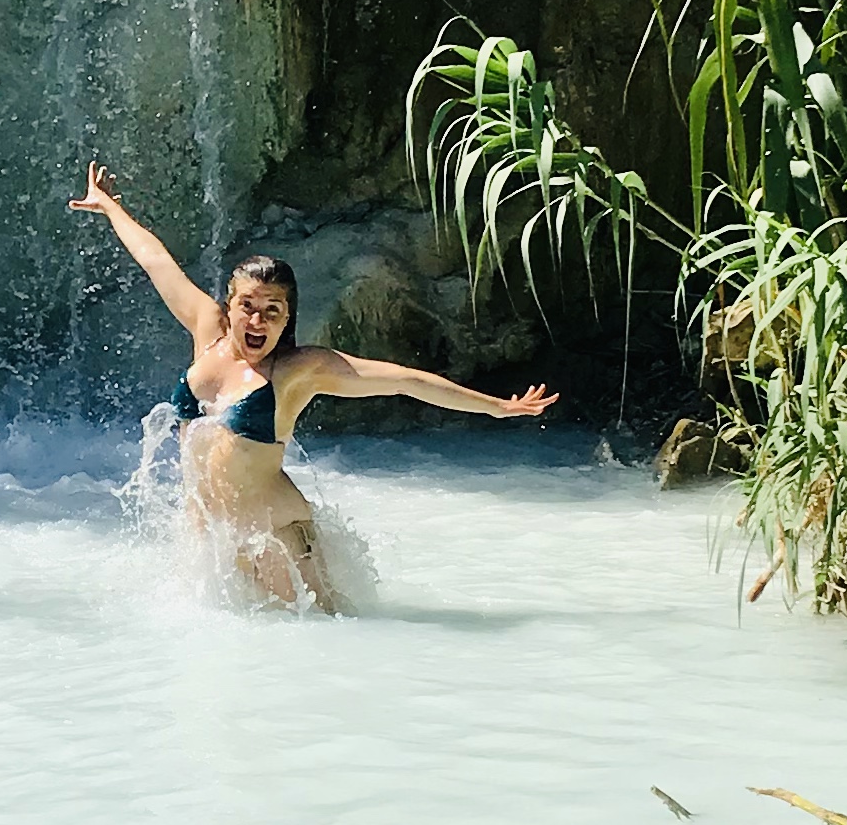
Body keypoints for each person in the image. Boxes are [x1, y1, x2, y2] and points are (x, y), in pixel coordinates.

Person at [69, 159, 556, 608]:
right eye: (248, 307)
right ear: (230, 305)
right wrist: (110, 206)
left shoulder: (298, 372)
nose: (257, 321)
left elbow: (404, 381)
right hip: (211, 536)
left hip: (276, 540)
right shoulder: (206, 330)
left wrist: (495, 407)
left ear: (287, 320)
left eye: (272, 312)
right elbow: (156, 261)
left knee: (323, 637)